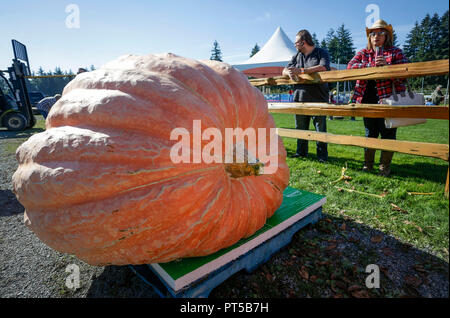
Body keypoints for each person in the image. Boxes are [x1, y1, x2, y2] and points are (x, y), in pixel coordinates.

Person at [347, 19, 409, 177]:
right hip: (367, 99)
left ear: (387, 35)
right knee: (370, 132)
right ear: (369, 37)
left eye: (381, 33)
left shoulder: (396, 52)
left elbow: (404, 76)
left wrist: (387, 69)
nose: (376, 36)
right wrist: (370, 67)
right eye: (373, 33)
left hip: (389, 100)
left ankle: (384, 167)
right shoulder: (363, 53)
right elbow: (350, 67)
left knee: (388, 133)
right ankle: (368, 165)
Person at [282, 29, 330, 163]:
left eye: (296, 43)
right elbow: (284, 70)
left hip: (318, 98)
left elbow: (324, 67)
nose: (295, 45)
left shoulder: (321, 52)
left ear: (303, 42)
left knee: (320, 130)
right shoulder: (296, 56)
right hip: (300, 98)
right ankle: (301, 153)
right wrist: (289, 73)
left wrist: (302, 71)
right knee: (300, 128)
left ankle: (322, 156)